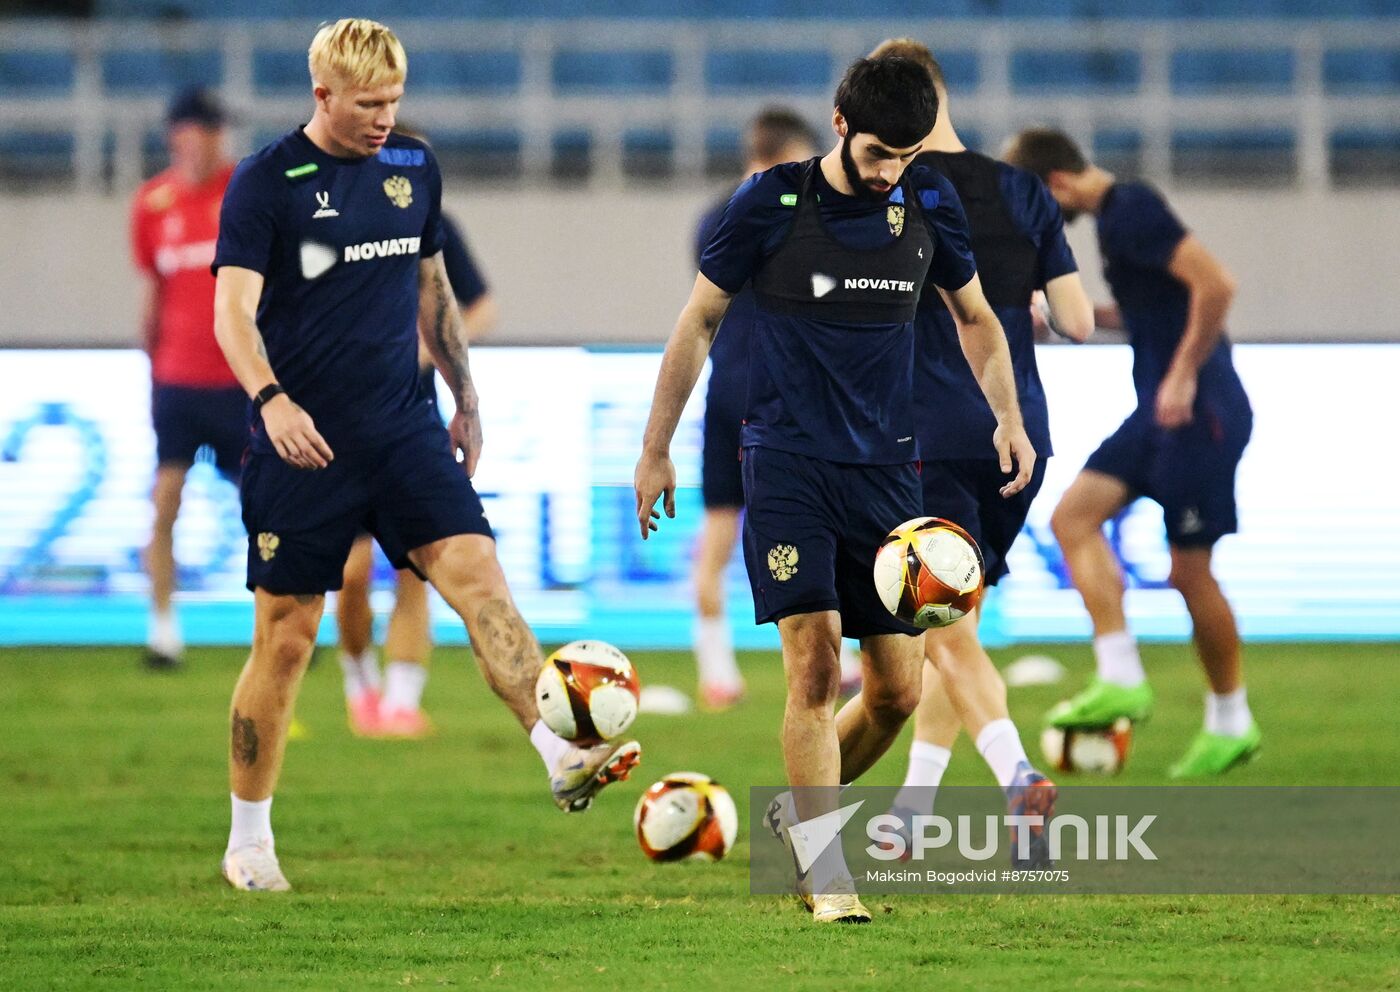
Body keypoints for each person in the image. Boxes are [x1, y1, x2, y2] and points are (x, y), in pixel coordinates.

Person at [211, 18, 639, 893]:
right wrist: (271, 399)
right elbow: (233, 314)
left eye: (395, 102)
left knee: (480, 577)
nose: (383, 119)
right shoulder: (267, 183)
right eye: (368, 104)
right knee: (287, 639)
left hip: (405, 431)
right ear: (321, 93)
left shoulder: (413, 169)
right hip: (304, 446)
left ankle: (559, 753)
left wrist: (467, 396)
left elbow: (434, 288)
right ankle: (248, 839)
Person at [634, 55, 1036, 923]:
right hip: (787, 466)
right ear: (840, 124)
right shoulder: (772, 204)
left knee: (897, 692)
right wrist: (656, 447)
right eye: (880, 152)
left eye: (907, 154)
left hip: (891, 476)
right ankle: (827, 875)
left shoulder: (928, 203)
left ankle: (801, 815)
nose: (891, 170)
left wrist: (1006, 414)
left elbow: (978, 319)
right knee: (814, 669)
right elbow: (698, 319)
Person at [865, 39, 1094, 840]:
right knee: (950, 631)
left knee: (942, 631)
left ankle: (1016, 775)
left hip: (926, 431)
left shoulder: (896, 191)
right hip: (1020, 438)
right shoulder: (1024, 189)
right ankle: (912, 811)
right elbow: (1077, 320)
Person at [1003, 127, 1259, 778]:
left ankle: (1231, 721)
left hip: (1199, 412)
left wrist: (1182, 374)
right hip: (1157, 415)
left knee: (1190, 570)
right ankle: (1120, 675)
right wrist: (1078, 316)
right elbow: (1158, 306)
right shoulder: (1119, 223)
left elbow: (1217, 285)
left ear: (1056, 183)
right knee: (1072, 518)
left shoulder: (1133, 210)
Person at [337, 197, 498, 740]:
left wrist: (433, 354)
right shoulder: (333, 220)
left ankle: (402, 700)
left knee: (415, 568)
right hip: (339, 420)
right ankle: (360, 685)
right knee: (351, 574)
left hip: (409, 418)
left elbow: (480, 305)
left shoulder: (433, 226)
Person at [689, 107, 829, 711]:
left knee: (719, 530)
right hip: (785, 395)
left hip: (726, 390)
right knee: (821, 527)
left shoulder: (714, 216)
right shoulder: (800, 214)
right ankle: (838, 659)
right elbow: (818, 289)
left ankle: (716, 670)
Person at [129, 88, 242, 671]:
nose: (211, 141)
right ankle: (163, 628)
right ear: (180, 135)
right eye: (203, 129)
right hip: (177, 380)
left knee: (268, 510)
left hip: (238, 380)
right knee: (165, 502)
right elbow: (156, 290)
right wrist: (151, 366)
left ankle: (281, 619)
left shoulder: (241, 195)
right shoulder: (153, 203)